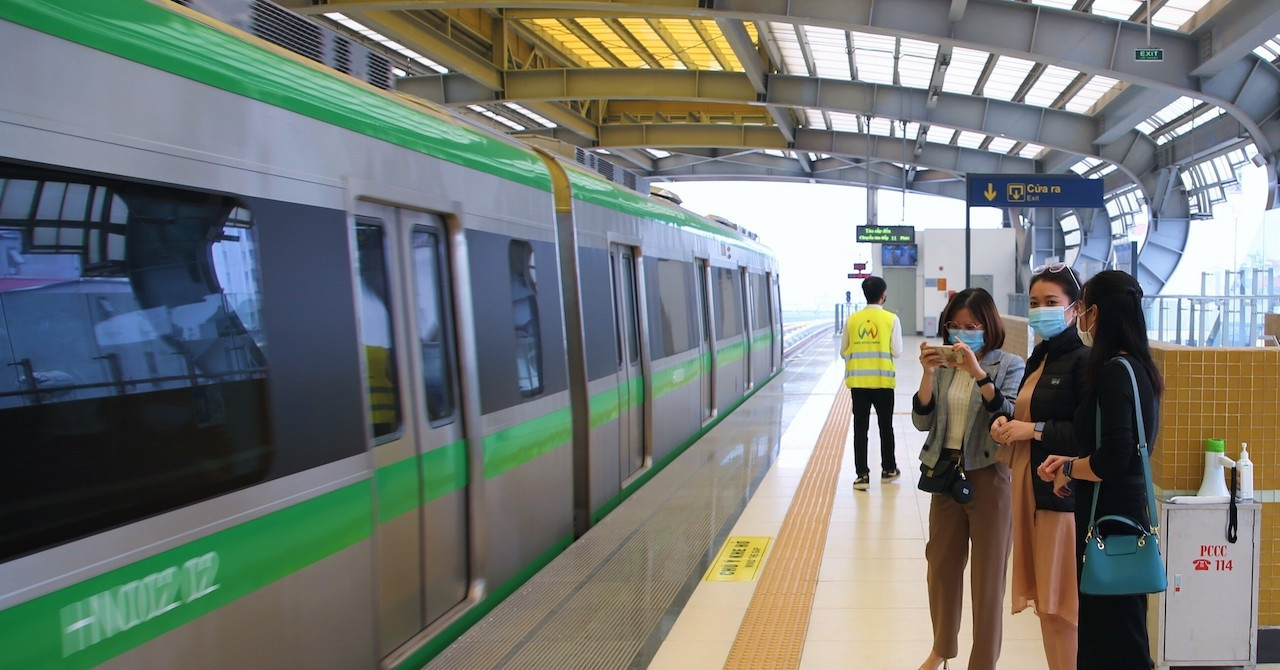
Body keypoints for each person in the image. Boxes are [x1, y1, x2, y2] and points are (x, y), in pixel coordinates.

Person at [1038, 270, 1163, 670]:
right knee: (1120, 631)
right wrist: (1070, 462)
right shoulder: (1140, 369)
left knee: (1110, 638)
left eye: (1084, 309)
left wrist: (1070, 469)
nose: (1082, 320)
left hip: (1109, 521)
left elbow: (1112, 458)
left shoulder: (1113, 372)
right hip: (1125, 516)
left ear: (1096, 313)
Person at [913, 288, 1025, 670]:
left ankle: (983, 663)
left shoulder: (1008, 364)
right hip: (945, 474)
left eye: (971, 326)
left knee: (988, 578)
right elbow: (922, 421)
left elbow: (1007, 415)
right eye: (954, 326)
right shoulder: (943, 368)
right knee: (941, 567)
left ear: (988, 327)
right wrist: (927, 375)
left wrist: (978, 373)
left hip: (989, 476)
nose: (961, 334)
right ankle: (942, 648)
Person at [989, 264, 1089, 670]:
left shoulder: (1084, 362)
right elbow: (1029, 416)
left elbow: (1084, 436)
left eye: (1051, 303)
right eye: (1034, 303)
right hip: (1032, 496)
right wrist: (1007, 424)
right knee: (1045, 607)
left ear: (1076, 309)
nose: (1040, 311)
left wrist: (1031, 430)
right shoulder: (1039, 358)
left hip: (1060, 500)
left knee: (1061, 606)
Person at [841, 275, 903, 491]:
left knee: (860, 429)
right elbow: (897, 351)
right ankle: (888, 469)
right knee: (885, 426)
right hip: (883, 383)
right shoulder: (891, 320)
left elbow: (843, 351)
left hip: (858, 383)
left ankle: (862, 475)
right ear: (883, 296)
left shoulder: (852, 320)